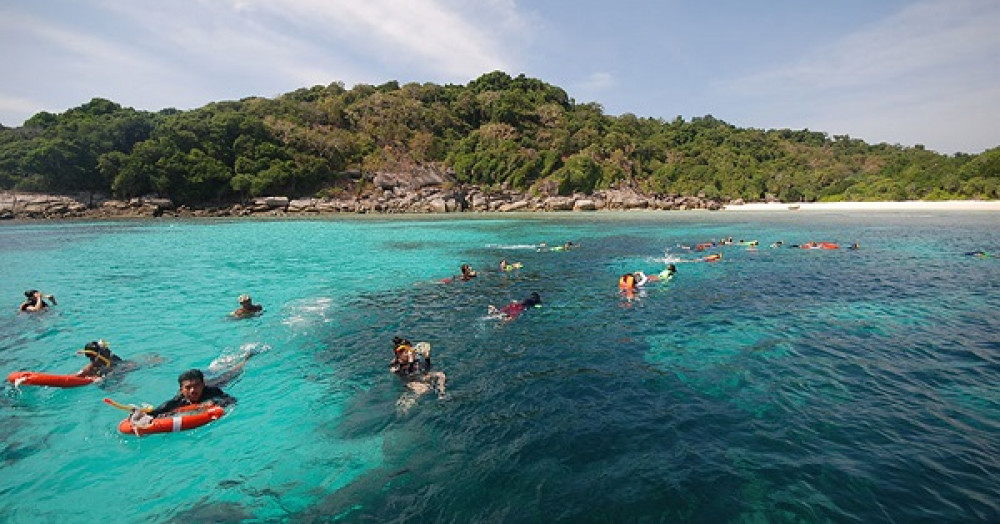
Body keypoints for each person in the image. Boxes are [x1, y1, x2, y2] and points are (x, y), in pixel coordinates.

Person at [390, 336, 446, 408]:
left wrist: (427, 358)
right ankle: (407, 402)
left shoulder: (414, 360)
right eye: (405, 352)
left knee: (440, 375)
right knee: (424, 389)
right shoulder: (395, 366)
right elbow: (409, 375)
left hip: (421, 376)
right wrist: (411, 362)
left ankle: (442, 395)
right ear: (398, 354)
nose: (408, 354)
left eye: (409, 351)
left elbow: (427, 370)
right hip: (411, 381)